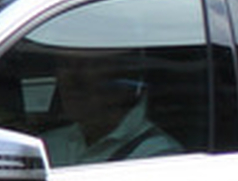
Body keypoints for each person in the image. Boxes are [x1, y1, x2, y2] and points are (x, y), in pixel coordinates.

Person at [39, 45, 178, 165]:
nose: (70, 80)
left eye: (87, 64)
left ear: (122, 77)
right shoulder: (46, 145)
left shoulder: (157, 156)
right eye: (65, 65)